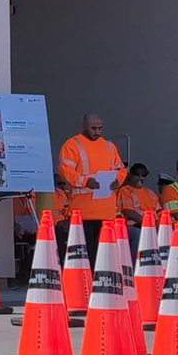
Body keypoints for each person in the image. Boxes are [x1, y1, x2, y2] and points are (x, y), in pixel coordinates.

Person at [58, 112, 127, 264]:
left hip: (106, 211)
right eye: (93, 128)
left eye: (100, 128)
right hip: (83, 212)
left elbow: (121, 169)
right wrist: (85, 181)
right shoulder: (72, 145)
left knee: (105, 254)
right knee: (85, 254)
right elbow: (65, 170)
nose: (97, 132)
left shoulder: (109, 146)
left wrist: (118, 180)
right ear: (84, 126)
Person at [116, 162, 159, 254]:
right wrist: (148, 225)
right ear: (130, 175)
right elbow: (127, 211)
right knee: (137, 234)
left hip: (152, 225)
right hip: (133, 226)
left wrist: (161, 226)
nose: (140, 177)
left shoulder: (151, 193)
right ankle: (136, 266)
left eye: (143, 175)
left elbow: (159, 212)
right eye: (137, 174)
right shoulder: (125, 191)